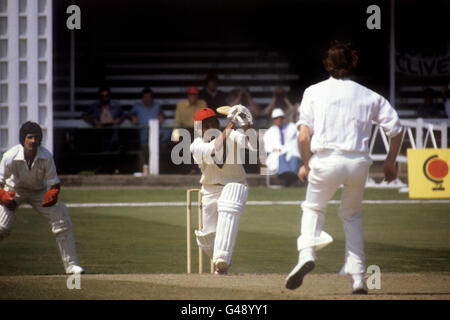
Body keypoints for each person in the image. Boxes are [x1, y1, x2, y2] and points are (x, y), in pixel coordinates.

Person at [285, 41, 403, 294]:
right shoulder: (369, 95)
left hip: (325, 160)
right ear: (352, 63)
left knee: (313, 208)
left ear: (328, 64)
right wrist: (390, 162)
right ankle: (358, 277)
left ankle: (306, 253)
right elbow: (397, 129)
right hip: (357, 164)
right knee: (351, 216)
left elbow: (303, 136)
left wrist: (306, 165)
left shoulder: (313, 92)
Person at [0, 122, 84, 274]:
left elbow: (54, 183)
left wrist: (52, 194)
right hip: (14, 189)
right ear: (22, 139)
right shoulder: (9, 156)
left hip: (39, 192)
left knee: (61, 219)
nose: (33, 141)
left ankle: (72, 266)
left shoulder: (46, 156)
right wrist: (3, 195)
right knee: (2, 227)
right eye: (29, 137)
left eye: (36, 137)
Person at [190, 105, 255, 274]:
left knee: (228, 208)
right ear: (199, 128)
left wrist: (246, 124)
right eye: (205, 125)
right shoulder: (196, 145)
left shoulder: (232, 134)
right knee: (206, 239)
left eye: (212, 123)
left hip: (234, 185)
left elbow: (252, 145)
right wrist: (232, 123)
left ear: (217, 124)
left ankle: (223, 257)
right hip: (210, 190)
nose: (210, 128)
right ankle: (222, 265)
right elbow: (214, 149)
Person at [128, 87, 165, 172]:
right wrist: (133, 117)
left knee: (157, 150)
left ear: (152, 98)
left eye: (149, 97)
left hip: (155, 135)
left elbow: (162, 115)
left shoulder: (157, 106)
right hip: (142, 135)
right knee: (143, 150)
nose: (147, 99)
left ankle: (157, 170)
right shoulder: (137, 106)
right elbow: (129, 115)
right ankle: (144, 170)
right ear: (142, 98)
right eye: (145, 97)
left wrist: (161, 117)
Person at [263, 108, 301, 186]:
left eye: (281, 118)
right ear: (273, 120)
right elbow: (267, 147)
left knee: (294, 157)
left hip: (291, 151)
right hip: (277, 153)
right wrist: (276, 149)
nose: (279, 120)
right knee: (280, 157)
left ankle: (290, 177)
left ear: (284, 118)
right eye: (276, 118)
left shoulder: (292, 127)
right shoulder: (269, 132)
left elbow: (299, 138)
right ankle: (287, 176)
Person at [82, 87, 125, 152]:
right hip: (99, 134)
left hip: (113, 134)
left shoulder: (116, 105)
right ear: (99, 96)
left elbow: (123, 115)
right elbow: (84, 115)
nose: (104, 98)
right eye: (102, 96)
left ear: (109, 96)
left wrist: (119, 120)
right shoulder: (95, 105)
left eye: (106, 96)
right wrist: (93, 120)